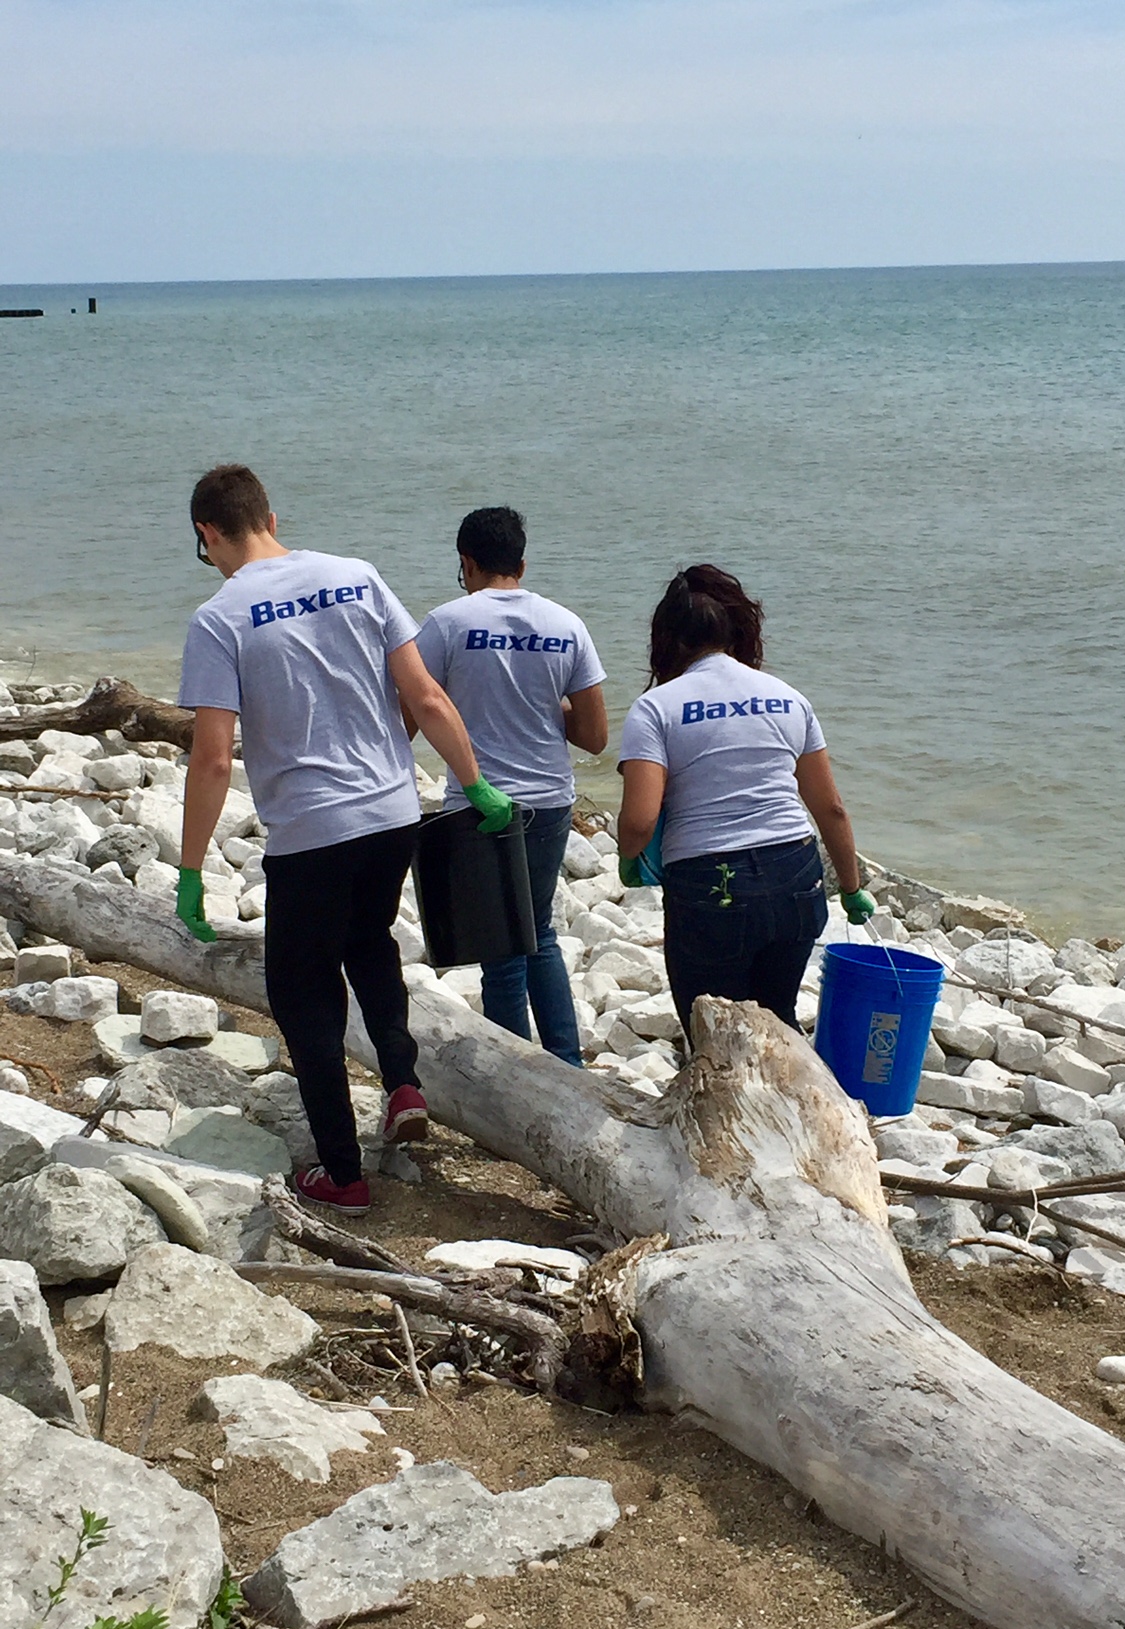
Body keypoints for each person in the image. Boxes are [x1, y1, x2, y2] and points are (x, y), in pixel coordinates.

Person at [176, 465, 513, 1216]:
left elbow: (212, 757)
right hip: (391, 812)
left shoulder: (220, 616)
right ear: (271, 513)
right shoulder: (357, 577)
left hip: (309, 830)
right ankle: (401, 1082)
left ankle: (343, 1174)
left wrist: (192, 869)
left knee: (302, 993)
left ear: (208, 533)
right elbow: (424, 696)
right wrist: (476, 783)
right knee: (368, 939)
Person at [616, 564, 875, 1043]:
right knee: (776, 1021)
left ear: (668, 638)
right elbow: (831, 808)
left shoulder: (657, 708)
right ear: (737, 630)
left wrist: (629, 858)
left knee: (713, 1034)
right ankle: (795, 1111)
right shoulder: (788, 698)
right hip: (794, 876)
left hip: (710, 885)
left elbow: (639, 820)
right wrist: (852, 888)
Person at [409, 507, 607, 1066]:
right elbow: (593, 735)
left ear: (465, 564)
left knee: (499, 947)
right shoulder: (567, 625)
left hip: (477, 802)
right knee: (536, 932)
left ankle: (513, 1069)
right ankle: (566, 1061)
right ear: (521, 563)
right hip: (549, 799)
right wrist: (544, 704)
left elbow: (410, 714)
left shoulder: (446, 623)